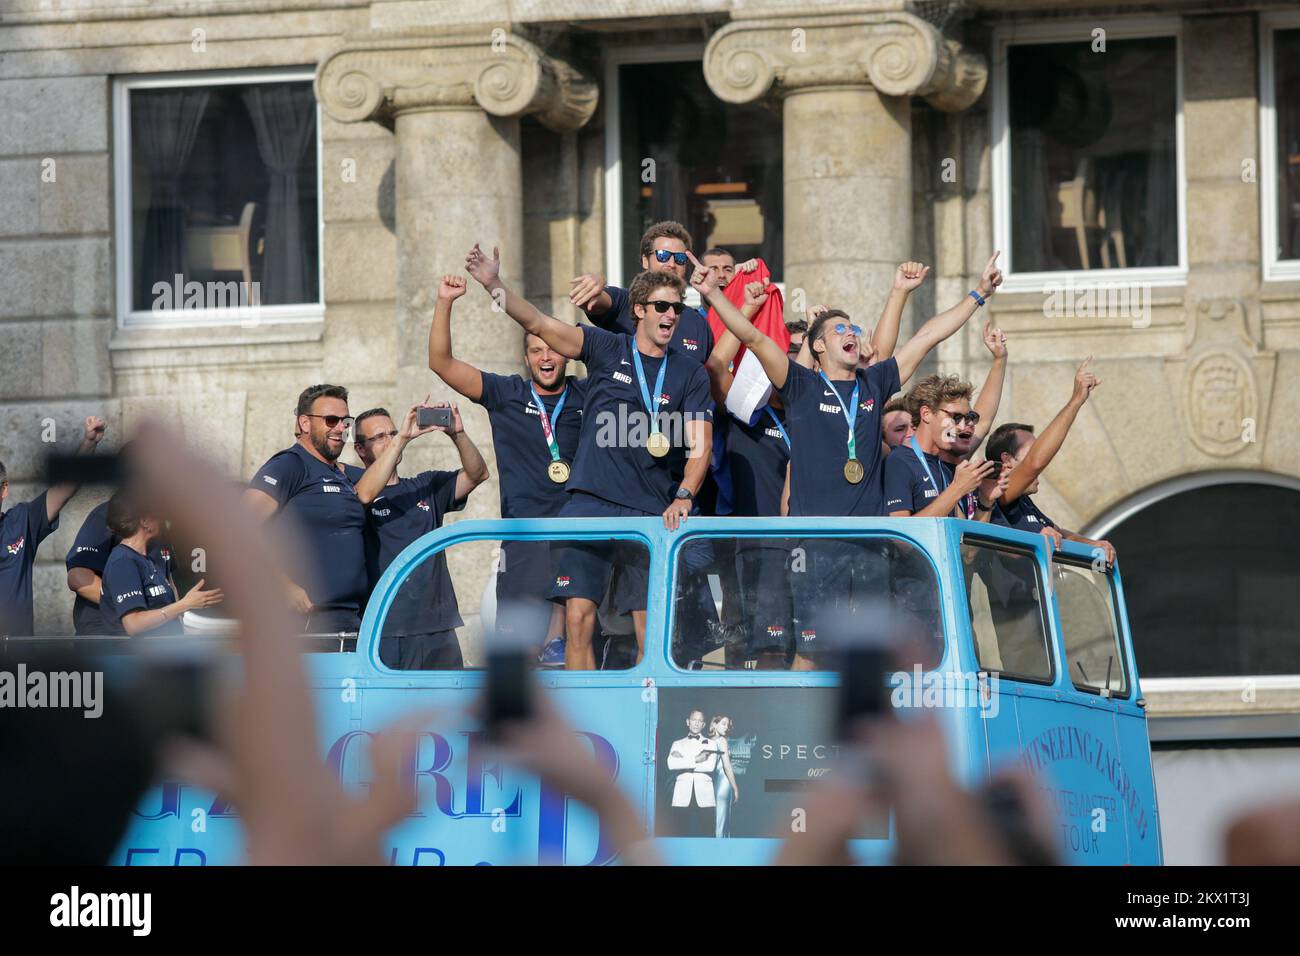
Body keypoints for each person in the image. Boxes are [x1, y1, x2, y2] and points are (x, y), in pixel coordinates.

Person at [699, 251, 1004, 667]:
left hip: (868, 545)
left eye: (853, 328)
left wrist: (979, 294)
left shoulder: (873, 382)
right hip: (816, 542)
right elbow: (753, 339)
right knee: (810, 654)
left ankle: (860, 731)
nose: (850, 332)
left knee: (866, 656)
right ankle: (803, 732)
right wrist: (714, 295)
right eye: (838, 328)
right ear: (818, 345)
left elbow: (927, 337)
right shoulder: (800, 384)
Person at [466, 243, 713, 669]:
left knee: (648, 627)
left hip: (648, 511)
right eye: (661, 307)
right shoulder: (605, 347)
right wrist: (494, 285)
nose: (671, 315)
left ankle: (644, 717)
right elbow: (538, 322)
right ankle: (587, 718)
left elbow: (700, 445)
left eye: (677, 308)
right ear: (638, 309)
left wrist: (685, 495)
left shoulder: (688, 371)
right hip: (589, 504)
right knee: (578, 619)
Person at [427, 273, 586, 666]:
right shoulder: (507, 394)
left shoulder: (589, 395)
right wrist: (445, 302)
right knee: (521, 660)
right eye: (535, 351)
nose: (546, 358)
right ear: (526, 357)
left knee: (577, 652)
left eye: (552, 350)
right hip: (524, 541)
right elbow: (440, 363)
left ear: (567, 354)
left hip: (579, 536)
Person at [350, 402, 489, 669]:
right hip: (386, 628)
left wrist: (457, 433)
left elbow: (478, 473)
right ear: (359, 449)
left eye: (392, 432)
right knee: (395, 711)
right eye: (380, 437)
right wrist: (401, 439)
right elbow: (364, 495)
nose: (390, 440)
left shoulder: (425, 485)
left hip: (438, 626)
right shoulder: (354, 492)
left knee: (448, 709)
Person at [244, 384, 368, 633]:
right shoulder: (289, 465)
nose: (340, 428)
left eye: (346, 422)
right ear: (305, 423)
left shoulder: (341, 474)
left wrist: (403, 439)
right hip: (305, 621)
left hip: (349, 617)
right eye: (331, 420)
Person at [987, 358, 1117, 565]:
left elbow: (1059, 532)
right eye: (1033, 450)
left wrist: (1092, 544)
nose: (1044, 456)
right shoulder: (996, 492)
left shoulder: (1024, 502)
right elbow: (1034, 464)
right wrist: (1076, 400)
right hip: (1014, 599)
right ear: (1007, 460)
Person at [0, 415, 106, 636]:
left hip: (16, 657)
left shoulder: (21, 521)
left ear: (4, 490)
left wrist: (88, 443)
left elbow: (64, 490)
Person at [568, 220, 716, 365]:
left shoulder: (698, 324)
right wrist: (595, 284)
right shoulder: (626, 302)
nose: (671, 264)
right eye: (663, 255)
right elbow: (594, 302)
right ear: (645, 261)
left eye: (680, 258)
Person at [65, 461, 177, 636]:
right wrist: (137, 610)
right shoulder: (107, 515)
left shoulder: (157, 523)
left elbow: (167, 580)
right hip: (108, 638)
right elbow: (79, 578)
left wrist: (174, 623)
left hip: (154, 639)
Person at [98, 491, 223, 636]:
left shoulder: (149, 558)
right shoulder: (122, 562)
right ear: (144, 521)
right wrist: (185, 604)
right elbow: (133, 624)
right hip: (132, 656)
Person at [884, 374, 1001, 521]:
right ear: (926, 414)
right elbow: (900, 532)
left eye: (967, 418)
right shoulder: (899, 460)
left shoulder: (941, 466)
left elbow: (964, 538)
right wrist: (957, 489)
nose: (962, 426)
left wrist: (986, 500)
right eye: (956, 417)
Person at [665, 709, 718, 837]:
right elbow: (671, 764)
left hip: (705, 797)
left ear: (704, 725)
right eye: (694, 720)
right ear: (688, 722)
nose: (696, 723)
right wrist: (696, 759)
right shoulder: (677, 744)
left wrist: (683, 761)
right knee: (679, 834)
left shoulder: (711, 744)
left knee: (707, 835)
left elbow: (710, 767)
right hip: (681, 796)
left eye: (700, 721)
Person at [708, 715, 740, 838]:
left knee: (718, 821)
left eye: (728, 725)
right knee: (722, 823)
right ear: (714, 724)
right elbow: (727, 766)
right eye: (723, 723)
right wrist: (735, 788)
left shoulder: (708, 740)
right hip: (724, 784)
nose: (726, 727)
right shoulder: (722, 741)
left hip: (714, 784)